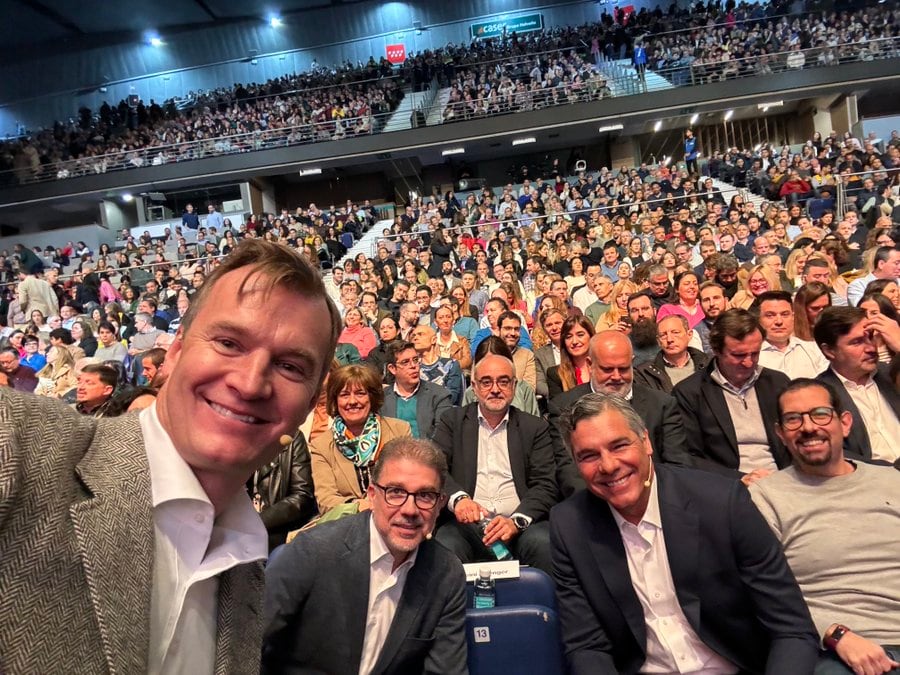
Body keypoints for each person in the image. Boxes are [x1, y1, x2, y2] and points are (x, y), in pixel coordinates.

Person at [0, 238, 340, 673]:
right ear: (175, 354)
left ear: (309, 405)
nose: (251, 383)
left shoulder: (249, 578)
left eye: (291, 366)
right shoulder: (20, 440)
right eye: (229, 343)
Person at [550, 393, 819, 675]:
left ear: (646, 441)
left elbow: (792, 630)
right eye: (589, 456)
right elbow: (587, 645)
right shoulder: (570, 525)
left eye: (619, 446)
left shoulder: (723, 503)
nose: (608, 465)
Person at [262, 438, 467, 674]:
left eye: (425, 496)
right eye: (396, 492)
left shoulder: (446, 573)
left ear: (440, 503)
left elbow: (446, 670)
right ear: (372, 495)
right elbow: (247, 645)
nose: (410, 509)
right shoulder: (313, 552)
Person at [750, 379, 900, 675]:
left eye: (820, 414)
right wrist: (835, 634)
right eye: (793, 419)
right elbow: (764, 593)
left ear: (845, 423)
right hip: (837, 647)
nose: (808, 427)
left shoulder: (892, 482)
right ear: (780, 433)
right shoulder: (764, 497)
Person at [432, 353, 557, 573]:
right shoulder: (452, 422)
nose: (495, 389)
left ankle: (544, 608)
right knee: (445, 545)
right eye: (486, 382)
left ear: (515, 385)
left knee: (544, 543)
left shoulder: (534, 427)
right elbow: (436, 469)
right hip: (466, 527)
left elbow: (545, 484)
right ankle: (452, 609)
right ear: (474, 386)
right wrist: (459, 500)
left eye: (503, 381)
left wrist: (516, 522)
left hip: (520, 526)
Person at [548, 330, 691, 498]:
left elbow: (677, 466)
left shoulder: (661, 405)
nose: (616, 377)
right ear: (589, 364)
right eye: (607, 369)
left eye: (623, 369)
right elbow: (570, 472)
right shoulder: (564, 407)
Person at [673, 309, 792, 484]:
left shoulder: (777, 383)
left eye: (755, 353)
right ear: (716, 350)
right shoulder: (690, 393)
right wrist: (739, 479)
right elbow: (688, 457)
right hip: (726, 484)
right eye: (738, 355)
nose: (749, 362)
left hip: (783, 478)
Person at [310, 363, 412, 515]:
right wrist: (360, 506)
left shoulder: (400, 431)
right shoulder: (321, 446)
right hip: (347, 524)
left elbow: (410, 482)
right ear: (336, 401)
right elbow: (326, 501)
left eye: (360, 393)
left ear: (372, 397)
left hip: (397, 515)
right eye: (344, 395)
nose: (352, 401)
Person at [814, 307, 900, 464]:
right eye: (857, 342)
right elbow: (837, 455)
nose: (871, 348)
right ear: (829, 351)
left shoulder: (892, 375)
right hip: (874, 479)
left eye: (871, 337)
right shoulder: (820, 395)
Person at [382, 341, 453, 440]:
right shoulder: (382, 398)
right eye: (405, 362)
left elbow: (443, 436)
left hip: (428, 453)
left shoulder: (439, 395)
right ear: (392, 368)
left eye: (415, 360)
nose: (413, 366)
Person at [756, 290, 829, 379]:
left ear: (793, 317)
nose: (779, 321)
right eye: (770, 315)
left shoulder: (814, 350)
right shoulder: (752, 355)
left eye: (785, 314)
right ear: (758, 319)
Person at [634, 315, 710, 393]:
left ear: (689, 335)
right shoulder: (645, 373)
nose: (669, 339)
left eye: (675, 333)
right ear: (658, 341)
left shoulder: (709, 364)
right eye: (663, 335)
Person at [546, 315, 595, 398]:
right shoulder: (555, 374)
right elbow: (557, 407)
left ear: (591, 337)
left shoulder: (605, 369)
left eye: (580, 335)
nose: (574, 341)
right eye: (568, 337)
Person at [497, 310, 537, 391]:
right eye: (508, 328)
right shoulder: (487, 352)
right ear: (498, 330)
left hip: (519, 402)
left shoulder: (527, 355)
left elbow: (529, 389)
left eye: (516, 329)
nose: (513, 333)